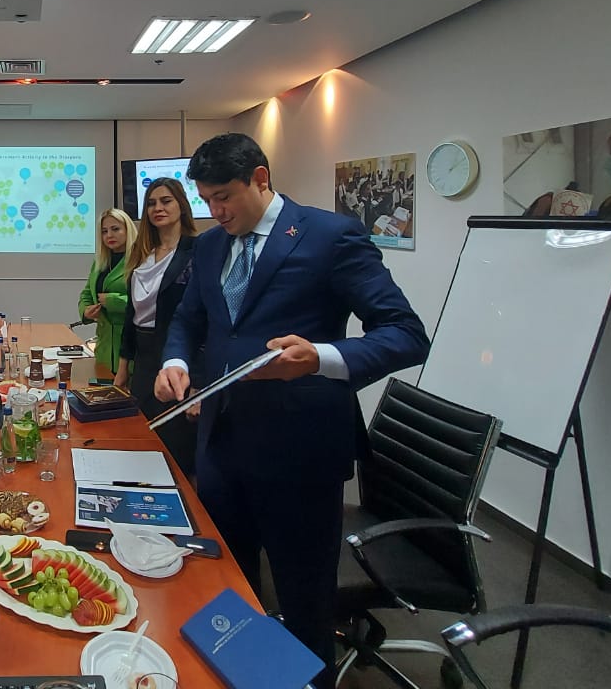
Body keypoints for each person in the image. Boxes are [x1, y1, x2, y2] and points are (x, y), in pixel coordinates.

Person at [154, 133, 429, 689]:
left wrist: (320, 358)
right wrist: (176, 360)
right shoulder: (210, 246)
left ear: (260, 178)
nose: (216, 212)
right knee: (227, 589)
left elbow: (405, 334)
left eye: (224, 197)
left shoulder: (330, 236)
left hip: (299, 453)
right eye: (206, 200)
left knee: (304, 601)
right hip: (221, 445)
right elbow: (189, 319)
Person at [115, 178, 200, 477]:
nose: (157, 208)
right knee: (143, 438)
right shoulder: (142, 252)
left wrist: (199, 384)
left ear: (182, 205)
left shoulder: (196, 251)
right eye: (151, 203)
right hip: (144, 359)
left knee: (175, 445)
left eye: (166, 201)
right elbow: (132, 315)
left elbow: (202, 320)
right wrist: (123, 369)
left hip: (177, 359)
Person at [78, 208, 137, 383]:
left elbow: (149, 301)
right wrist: (85, 311)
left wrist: (115, 301)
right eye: (104, 231)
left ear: (128, 230)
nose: (109, 235)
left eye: (115, 229)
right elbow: (87, 293)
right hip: (104, 347)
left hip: (130, 346)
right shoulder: (101, 260)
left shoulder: (140, 259)